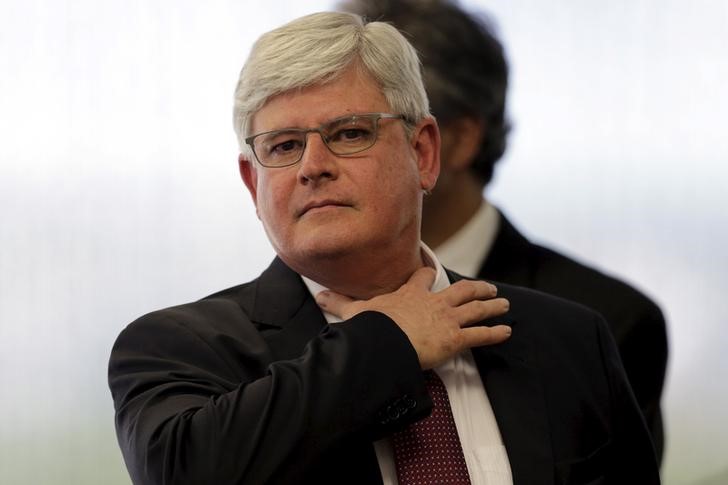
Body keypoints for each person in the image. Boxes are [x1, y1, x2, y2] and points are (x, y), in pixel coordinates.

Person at [108, 11, 661, 485]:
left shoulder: (567, 338)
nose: (312, 167)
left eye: (350, 134)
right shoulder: (177, 348)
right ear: (254, 185)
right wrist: (388, 344)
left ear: (423, 153)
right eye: (284, 146)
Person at [340, 0, 668, 462]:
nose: (319, 165)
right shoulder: (264, 325)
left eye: (354, 132)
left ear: (448, 143)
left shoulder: (608, 321)